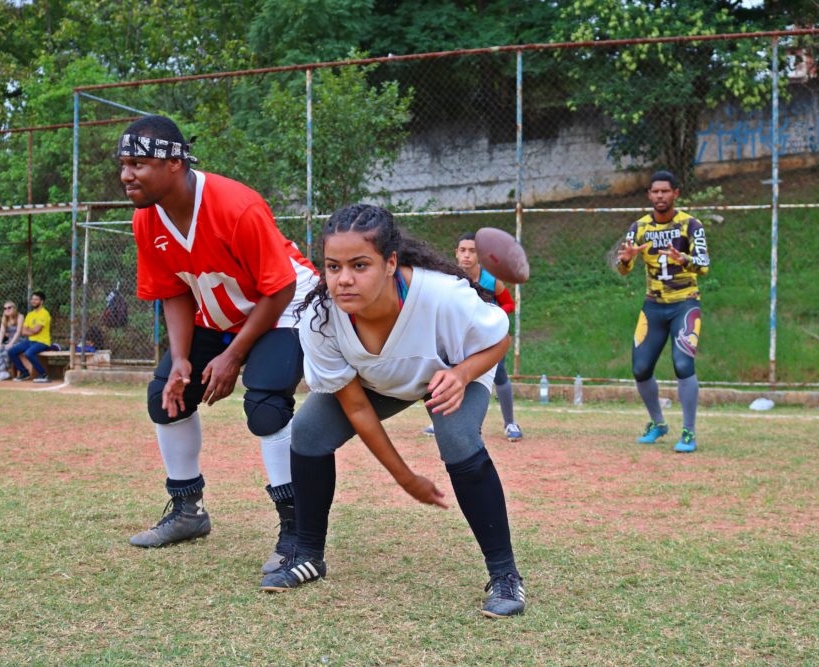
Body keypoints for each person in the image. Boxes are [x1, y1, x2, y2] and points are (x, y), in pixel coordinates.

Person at [260, 204, 526, 619]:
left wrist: (462, 374)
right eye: (333, 266)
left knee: (456, 438)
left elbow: (498, 340)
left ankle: (505, 576)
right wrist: (406, 478)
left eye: (360, 265)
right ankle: (307, 554)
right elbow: (357, 408)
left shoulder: (441, 296)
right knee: (309, 429)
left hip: (449, 372)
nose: (344, 279)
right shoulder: (320, 317)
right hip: (380, 380)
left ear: (390, 263)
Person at [117, 115, 318, 574]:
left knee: (266, 404)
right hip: (222, 310)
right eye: (124, 163)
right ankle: (188, 510)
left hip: (284, 303)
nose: (127, 174)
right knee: (166, 395)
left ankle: (296, 529)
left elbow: (280, 287)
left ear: (173, 165)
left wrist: (234, 355)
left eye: (138, 163)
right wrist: (183, 359)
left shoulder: (235, 205)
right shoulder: (146, 218)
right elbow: (173, 290)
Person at [615, 170, 710, 453]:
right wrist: (626, 260)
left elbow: (704, 264)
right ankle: (658, 423)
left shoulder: (690, 225)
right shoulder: (639, 227)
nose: (659, 196)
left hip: (685, 303)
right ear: (649, 195)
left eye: (665, 191)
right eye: (655, 192)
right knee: (640, 368)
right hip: (653, 306)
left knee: (683, 365)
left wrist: (686, 259)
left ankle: (689, 432)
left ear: (675, 194)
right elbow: (623, 270)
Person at [423, 231, 523, 441]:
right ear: (456, 253)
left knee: (500, 374)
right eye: (463, 250)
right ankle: (440, 421)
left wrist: (491, 316)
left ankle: (510, 423)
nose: (467, 255)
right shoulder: (448, 279)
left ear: (480, 255)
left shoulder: (490, 280)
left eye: (472, 251)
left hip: (488, 338)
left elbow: (509, 303)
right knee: (448, 372)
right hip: (457, 337)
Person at [8, 291, 51, 383]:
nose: (33, 301)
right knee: (11, 351)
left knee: (29, 353)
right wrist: (31, 331)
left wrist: (29, 331)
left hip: (42, 342)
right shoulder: (30, 314)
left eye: (36, 299)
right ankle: (24, 373)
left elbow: (37, 330)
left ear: (41, 301)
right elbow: (23, 331)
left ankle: (43, 374)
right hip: (30, 341)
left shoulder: (44, 313)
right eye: (32, 299)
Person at [0, 300, 25, 380]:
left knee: (7, 350)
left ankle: (5, 371)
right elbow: (2, 331)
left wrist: (10, 344)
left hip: (20, 341)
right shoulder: (5, 319)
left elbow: (18, 332)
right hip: (10, 341)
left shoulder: (20, 316)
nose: (7, 309)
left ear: (14, 308)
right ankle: (3, 371)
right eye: (5, 308)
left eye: (9, 308)